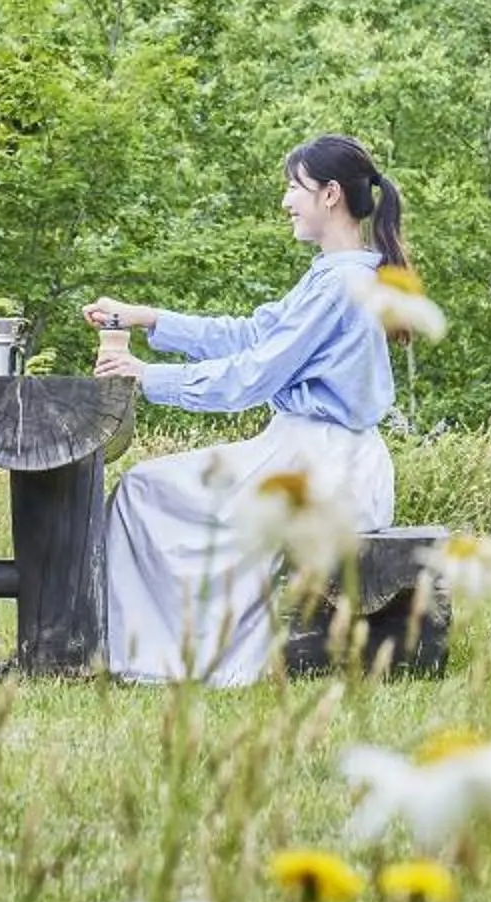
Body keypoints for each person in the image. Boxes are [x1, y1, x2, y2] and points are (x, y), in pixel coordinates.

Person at [86, 134, 407, 685]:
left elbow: (253, 376)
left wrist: (147, 375)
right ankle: (153, 650)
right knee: (147, 491)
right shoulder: (338, 275)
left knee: (142, 491)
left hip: (323, 465)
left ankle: (155, 658)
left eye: (294, 187)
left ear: (330, 195)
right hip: (309, 451)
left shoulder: (344, 283)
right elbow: (253, 334)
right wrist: (145, 317)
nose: (286, 200)